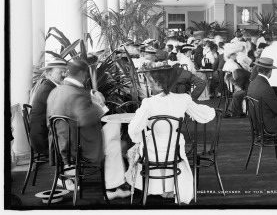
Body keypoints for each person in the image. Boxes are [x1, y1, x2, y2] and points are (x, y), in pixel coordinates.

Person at [126, 67, 215, 204]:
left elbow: (133, 129)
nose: (149, 85)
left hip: (152, 153)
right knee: (175, 141)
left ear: (158, 84)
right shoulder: (183, 99)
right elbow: (204, 115)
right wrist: (213, 110)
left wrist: (139, 139)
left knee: (136, 148)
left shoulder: (148, 103)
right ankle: (168, 188)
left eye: (150, 82)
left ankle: (154, 188)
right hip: (174, 150)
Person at [46, 59, 129, 199]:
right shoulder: (78, 94)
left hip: (60, 145)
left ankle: (113, 184)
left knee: (113, 135)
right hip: (79, 147)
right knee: (114, 139)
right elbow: (86, 120)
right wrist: (97, 108)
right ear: (82, 74)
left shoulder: (55, 92)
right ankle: (111, 189)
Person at [29, 58, 68, 155]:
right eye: (60, 72)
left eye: (65, 72)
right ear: (49, 74)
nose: (64, 75)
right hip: (44, 139)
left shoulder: (50, 86)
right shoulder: (48, 89)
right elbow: (61, 112)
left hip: (44, 134)